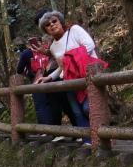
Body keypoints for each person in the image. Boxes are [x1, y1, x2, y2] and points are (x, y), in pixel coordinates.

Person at [36, 11, 102, 139]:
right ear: (46, 30)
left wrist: (69, 60)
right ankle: (87, 140)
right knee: (76, 111)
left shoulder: (75, 31)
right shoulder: (53, 47)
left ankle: (101, 137)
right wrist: (49, 77)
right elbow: (62, 68)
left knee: (88, 107)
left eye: (54, 21)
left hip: (88, 74)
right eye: (48, 25)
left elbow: (90, 45)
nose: (52, 25)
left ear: (60, 21)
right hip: (69, 79)